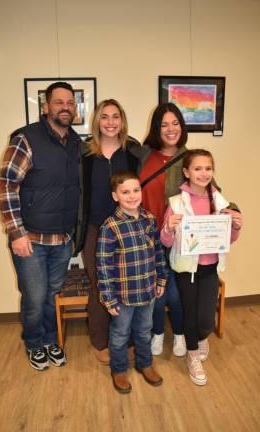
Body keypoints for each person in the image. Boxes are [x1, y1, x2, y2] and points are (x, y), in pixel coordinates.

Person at [0, 82, 84, 371]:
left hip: (61, 240)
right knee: (34, 298)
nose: (65, 107)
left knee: (50, 296)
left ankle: (49, 341)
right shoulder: (26, 138)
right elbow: (6, 185)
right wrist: (16, 232)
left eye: (70, 103)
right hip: (29, 240)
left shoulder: (76, 144)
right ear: (46, 107)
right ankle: (34, 344)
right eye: (58, 102)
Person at [160, 149, 242, 386]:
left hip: (210, 268)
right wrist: (168, 228)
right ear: (186, 172)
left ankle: (201, 337)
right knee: (190, 314)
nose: (203, 173)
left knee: (207, 319)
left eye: (208, 168)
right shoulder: (176, 203)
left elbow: (229, 239)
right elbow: (165, 241)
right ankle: (192, 354)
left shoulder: (220, 202)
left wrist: (235, 226)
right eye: (197, 168)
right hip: (186, 269)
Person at [82, 99, 144, 364]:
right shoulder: (84, 152)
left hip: (127, 229)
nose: (110, 122)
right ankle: (100, 340)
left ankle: (127, 338)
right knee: (100, 284)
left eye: (115, 116)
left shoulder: (134, 151)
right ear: (97, 121)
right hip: (95, 229)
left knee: (125, 284)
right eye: (104, 117)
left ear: (122, 119)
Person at [96, 172, 169, 393]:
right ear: (115, 196)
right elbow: (103, 266)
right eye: (125, 192)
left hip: (147, 291)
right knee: (119, 334)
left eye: (136, 190)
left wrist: (162, 278)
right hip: (123, 296)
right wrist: (108, 298)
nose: (132, 196)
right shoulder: (109, 227)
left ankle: (144, 364)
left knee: (144, 330)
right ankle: (118, 369)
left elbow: (158, 251)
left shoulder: (149, 219)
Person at [139, 103, 188, 357]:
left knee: (175, 293)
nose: (170, 129)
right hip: (147, 237)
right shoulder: (143, 155)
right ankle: (158, 332)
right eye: (164, 124)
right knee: (155, 292)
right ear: (156, 128)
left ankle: (178, 334)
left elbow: (213, 192)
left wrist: (231, 210)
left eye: (175, 123)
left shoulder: (190, 158)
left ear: (182, 125)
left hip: (177, 238)